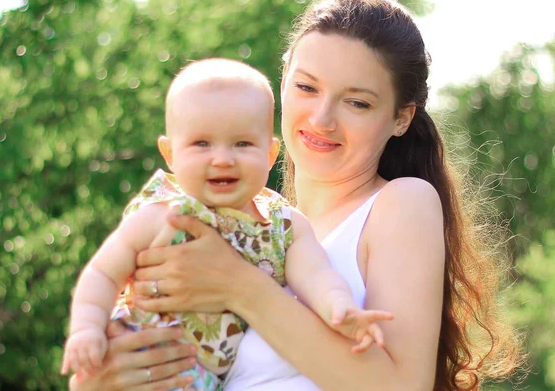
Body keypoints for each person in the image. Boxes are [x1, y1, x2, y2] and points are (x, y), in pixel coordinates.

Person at [69, 0, 523, 390]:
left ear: (401, 118)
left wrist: (240, 285)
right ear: (283, 78)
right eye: (307, 87)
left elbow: (400, 386)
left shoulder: (399, 204)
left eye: (357, 102)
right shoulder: (250, 221)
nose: (322, 119)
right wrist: (104, 376)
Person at [61, 58, 393, 390]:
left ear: (270, 153)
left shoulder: (283, 224)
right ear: (170, 154)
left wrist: (342, 308)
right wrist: (86, 330)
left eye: (242, 144)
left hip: (207, 380)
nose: (222, 158)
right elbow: (102, 273)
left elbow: (317, 275)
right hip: (141, 360)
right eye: (202, 144)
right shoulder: (162, 213)